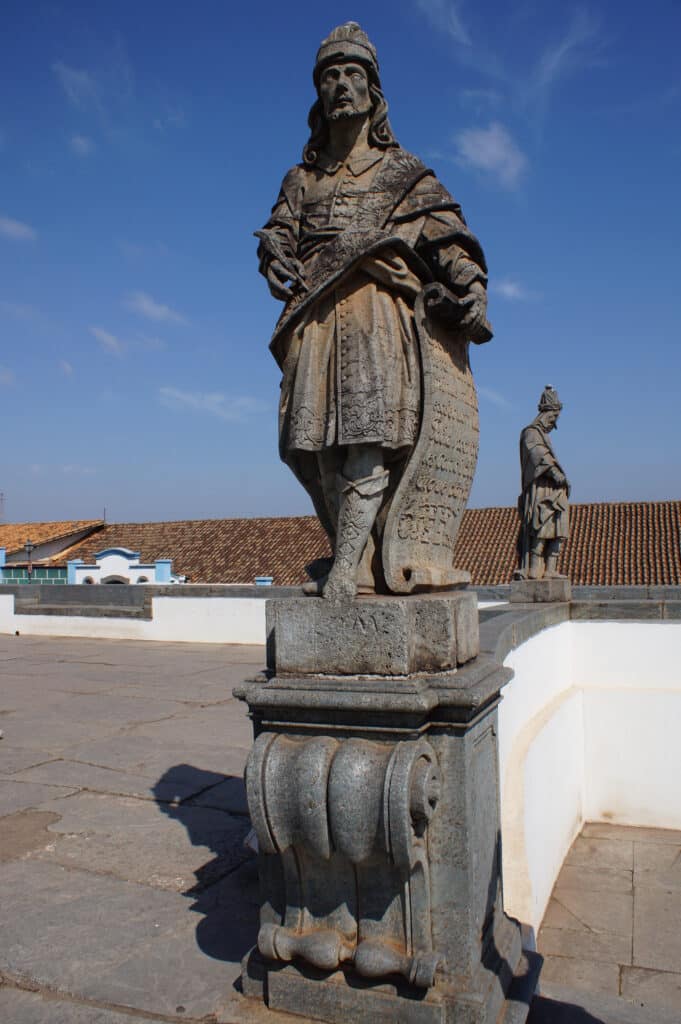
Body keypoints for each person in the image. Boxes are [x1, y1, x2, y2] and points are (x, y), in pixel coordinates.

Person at [256, 22, 490, 600]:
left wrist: (470, 285)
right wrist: (274, 256)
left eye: (352, 74)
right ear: (319, 92)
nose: (341, 84)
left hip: (376, 316)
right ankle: (355, 557)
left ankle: (346, 570)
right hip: (313, 319)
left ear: (372, 90)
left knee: (368, 435)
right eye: (330, 75)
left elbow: (448, 240)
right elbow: (279, 234)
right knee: (309, 448)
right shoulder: (301, 179)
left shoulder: (403, 173)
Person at [516, 386, 570, 580]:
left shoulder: (543, 434)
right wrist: (554, 473)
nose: (554, 423)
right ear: (547, 414)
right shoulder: (531, 433)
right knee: (540, 525)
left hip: (553, 488)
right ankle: (533, 569)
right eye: (554, 418)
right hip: (540, 488)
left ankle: (550, 570)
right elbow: (537, 454)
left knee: (559, 525)